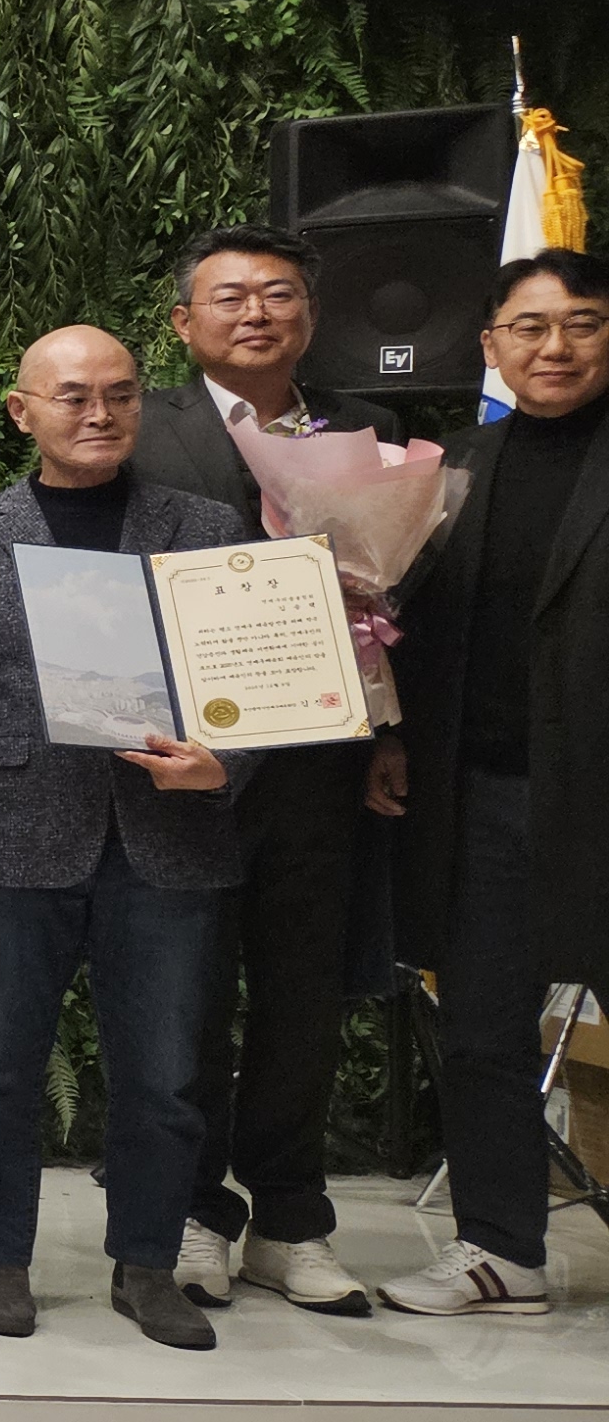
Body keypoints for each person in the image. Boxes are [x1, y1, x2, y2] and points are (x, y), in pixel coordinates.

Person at [0, 324, 248, 1350]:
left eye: (119, 393)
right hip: (15, 829)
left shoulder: (206, 528)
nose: (99, 413)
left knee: (165, 1075)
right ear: (23, 412)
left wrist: (227, 763)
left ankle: (147, 1264)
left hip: (171, 833)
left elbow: (256, 683)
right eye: (72, 396)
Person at [125, 224, 402, 1317]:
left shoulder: (368, 432)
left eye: (278, 295)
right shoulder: (138, 425)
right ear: (182, 321)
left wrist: (390, 732)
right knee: (185, 1000)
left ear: (311, 317)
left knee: (303, 997)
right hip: (185, 765)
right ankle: (196, 1210)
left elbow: (398, 602)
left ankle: (291, 1220)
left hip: (318, 766)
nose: (255, 313)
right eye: (229, 296)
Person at [367, 247, 609, 1317]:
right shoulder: (449, 469)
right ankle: (502, 1249)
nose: (554, 346)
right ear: (490, 347)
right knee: (480, 1030)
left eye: (582, 324)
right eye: (529, 327)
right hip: (483, 793)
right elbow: (405, 631)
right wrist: (389, 736)